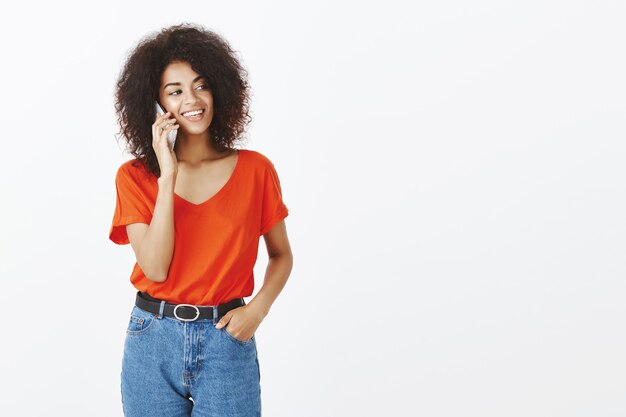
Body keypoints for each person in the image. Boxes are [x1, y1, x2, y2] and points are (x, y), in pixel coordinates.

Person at [108, 23, 293, 417]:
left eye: (200, 85)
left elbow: (281, 255)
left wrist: (257, 310)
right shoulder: (136, 177)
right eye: (174, 91)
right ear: (155, 105)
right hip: (151, 342)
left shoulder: (255, 170)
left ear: (218, 89)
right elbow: (156, 268)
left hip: (227, 339)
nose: (191, 100)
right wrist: (168, 174)